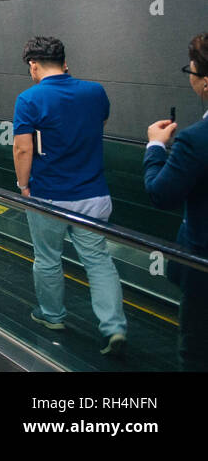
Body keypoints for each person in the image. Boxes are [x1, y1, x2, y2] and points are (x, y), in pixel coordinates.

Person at [13, 36, 126, 357]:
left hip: (49, 196)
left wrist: (24, 186)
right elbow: (99, 122)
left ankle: (53, 318)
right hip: (93, 194)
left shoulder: (29, 98)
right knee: (99, 261)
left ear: (33, 65)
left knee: (48, 258)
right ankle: (114, 327)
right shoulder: (95, 91)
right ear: (64, 61)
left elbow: (22, 147)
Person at [145, 32, 208, 371]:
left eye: (192, 71)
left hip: (203, 272)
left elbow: (160, 193)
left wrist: (155, 146)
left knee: (196, 353)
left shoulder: (196, 140)